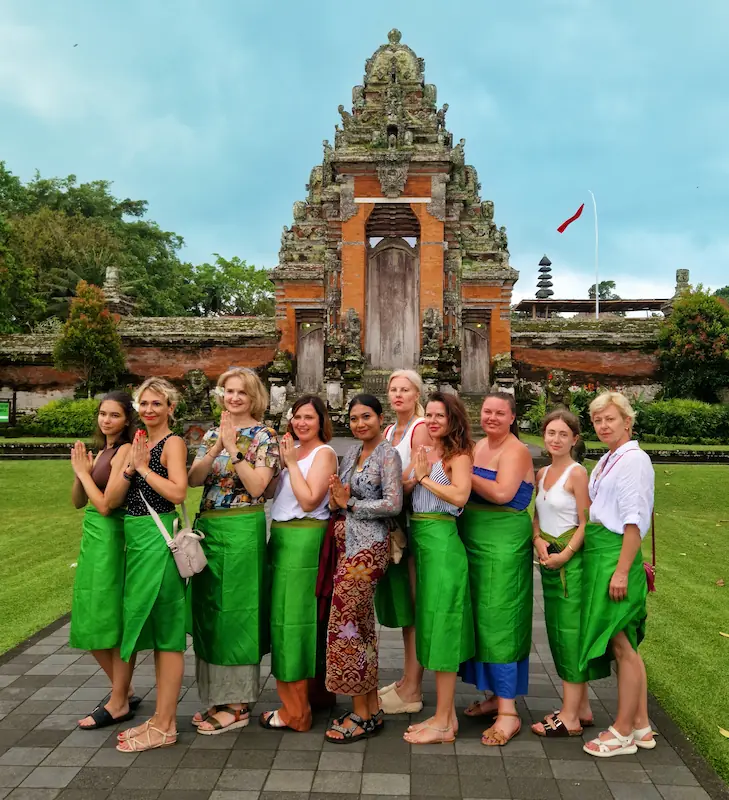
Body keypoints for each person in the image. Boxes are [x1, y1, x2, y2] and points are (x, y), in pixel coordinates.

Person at [187, 367, 280, 735]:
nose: (235, 398)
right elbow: (194, 479)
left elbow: (257, 487)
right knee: (210, 610)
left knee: (238, 612)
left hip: (242, 527)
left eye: (242, 392)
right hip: (210, 528)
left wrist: (233, 449)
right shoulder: (213, 433)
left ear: (254, 397)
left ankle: (238, 702)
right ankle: (216, 696)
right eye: (229, 391)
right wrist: (216, 445)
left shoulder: (265, 436)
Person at [106, 378, 189, 752]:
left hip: (159, 541)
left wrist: (142, 468)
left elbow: (178, 491)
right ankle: (159, 718)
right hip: (137, 541)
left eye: (158, 403)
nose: (150, 409)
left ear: (171, 407)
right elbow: (113, 500)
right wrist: (130, 467)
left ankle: (166, 724)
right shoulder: (138, 442)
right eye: (144, 403)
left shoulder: (172, 443)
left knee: (167, 634)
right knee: (150, 630)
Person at [581, 392, 655, 757]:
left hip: (616, 555)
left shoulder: (633, 461)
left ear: (628, 421)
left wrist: (622, 571)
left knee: (622, 643)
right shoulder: (610, 458)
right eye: (598, 420)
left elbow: (634, 520)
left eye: (610, 418)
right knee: (623, 642)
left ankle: (623, 731)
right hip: (603, 554)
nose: (603, 425)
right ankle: (640, 724)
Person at [324, 394, 402, 743]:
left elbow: (393, 503)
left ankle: (361, 714)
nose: (359, 424)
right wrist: (336, 498)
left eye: (366, 416)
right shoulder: (353, 452)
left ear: (380, 418)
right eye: (354, 418)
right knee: (362, 626)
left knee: (346, 625)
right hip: (346, 546)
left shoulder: (388, 454)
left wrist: (351, 503)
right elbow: (338, 498)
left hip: (368, 550)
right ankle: (369, 707)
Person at [459, 391, 535, 747]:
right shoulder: (478, 446)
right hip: (474, 538)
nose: (491, 417)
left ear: (512, 417)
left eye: (499, 413)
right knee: (479, 617)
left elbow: (503, 493)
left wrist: (462, 472)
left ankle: (509, 711)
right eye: (487, 411)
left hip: (504, 540)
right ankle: (493, 695)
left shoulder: (516, 450)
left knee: (501, 617)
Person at [260, 395, 338, 731]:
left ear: (321, 421)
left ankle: (296, 711)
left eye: (308, 417)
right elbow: (269, 494)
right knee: (299, 619)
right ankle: (316, 693)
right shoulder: (292, 451)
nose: (301, 423)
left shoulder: (324, 453)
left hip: (304, 540)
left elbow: (308, 501)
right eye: (296, 416)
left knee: (291, 622)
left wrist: (291, 464)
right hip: (282, 538)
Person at [402, 393, 475, 745]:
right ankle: (444, 715)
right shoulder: (424, 452)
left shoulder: (458, 456)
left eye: (439, 416)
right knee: (429, 623)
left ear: (452, 419)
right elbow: (405, 486)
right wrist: (410, 478)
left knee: (443, 625)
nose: (431, 421)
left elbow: (460, 496)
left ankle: (445, 720)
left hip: (442, 543)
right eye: (428, 415)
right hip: (420, 541)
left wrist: (424, 479)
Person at [71, 391, 142, 730]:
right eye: (102, 414)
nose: (106, 420)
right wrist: (80, 473)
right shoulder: (101, 451)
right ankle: (123, 690)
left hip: (112, 539)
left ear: (127, 420)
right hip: (92, 538)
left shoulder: (125, 450)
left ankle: (119, 700)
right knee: (89, 615)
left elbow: (105, 505)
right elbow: (77, 501)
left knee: (108, 619)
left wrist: (85, 474)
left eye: (114, 415)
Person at [531, 409, 594, 738]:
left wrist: (566, 554)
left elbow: (586, 522)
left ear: (574, 439)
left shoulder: (577, 473)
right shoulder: (542, 474)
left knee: (570, 635)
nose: (555, 439)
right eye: (551, 433)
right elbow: (537, 515)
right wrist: (537, 540)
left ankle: (569, 718)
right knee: (557, 632)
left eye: (563, 434)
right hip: (549, 561)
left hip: (571, 565)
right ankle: (581, 708)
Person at [376, 369, 432, 716]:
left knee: (415, 603)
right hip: (396, 519)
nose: (398, 395)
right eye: (393, 389)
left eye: (405, 390)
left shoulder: (419, 427)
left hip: (414, 519)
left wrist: (391, 490)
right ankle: (406, 679)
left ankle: (414, 688)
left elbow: (419, 472)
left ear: (416, 395)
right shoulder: (388, 430)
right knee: (406, 605)